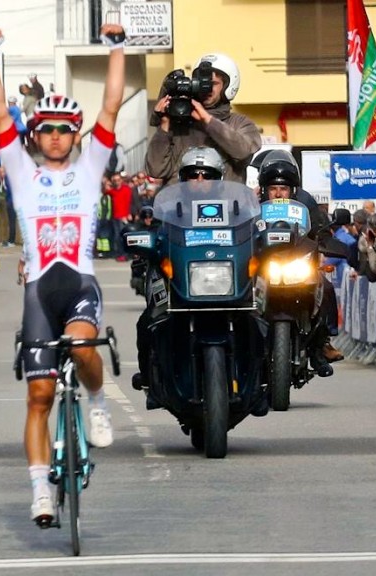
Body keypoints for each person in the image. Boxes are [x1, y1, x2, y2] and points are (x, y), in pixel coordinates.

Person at [0, 22, 125, 524]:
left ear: (75, 135)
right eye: (48, 129)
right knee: (38, 395)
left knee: (84, 348)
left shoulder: (90, 169)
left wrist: (116, 48)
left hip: (78, 282)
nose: (58, 136)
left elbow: (110, 106)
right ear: (36, 135)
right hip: (40, 290)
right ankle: (41, 489)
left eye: (66, 129)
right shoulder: (21, 170)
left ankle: (99, 401)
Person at [132, 146, 225, 396]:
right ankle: (151, 379)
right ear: (184, 178)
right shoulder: (169, 207)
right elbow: (155, 236)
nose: (200, 180)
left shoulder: (233, 207)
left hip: (223, 282)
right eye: (193, 175)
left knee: (258, 318)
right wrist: (147, 247)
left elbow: (250, 233)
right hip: (179, 281)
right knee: (148, 322)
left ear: (218, 179)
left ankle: (262, 379)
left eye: (207, 175)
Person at [256, 152, 341, 375]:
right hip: (264, 264)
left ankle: (321, 345)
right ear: (264, 188)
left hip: (296, 262)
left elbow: (320, 230)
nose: (278, 193)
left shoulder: (306, 202)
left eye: (283, 188)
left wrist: (323, 239)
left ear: (292, 190)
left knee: (326, 287)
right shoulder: (253, 205)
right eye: (273, 188)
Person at [145, 53, 261, 185]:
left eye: (214, 84)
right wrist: (164, 124)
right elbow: (156, 170)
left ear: (227, 86)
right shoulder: (180, 125)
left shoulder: (240, 123)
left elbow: (243, 152)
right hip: (184, 203)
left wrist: (208, 120)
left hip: (226, 203)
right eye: (202, 83)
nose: (208, 89)